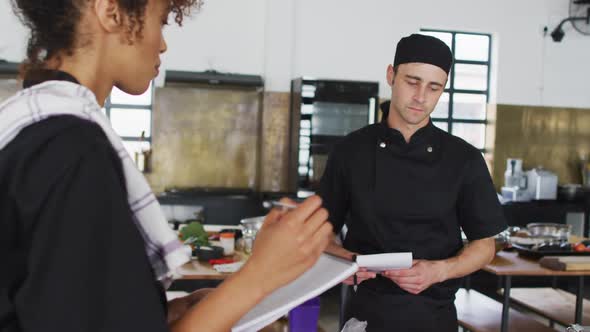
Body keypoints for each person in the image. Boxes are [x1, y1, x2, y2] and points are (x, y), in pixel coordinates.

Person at [0, 1, 333, 331]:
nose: (162, 43)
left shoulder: (35, 126)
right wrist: (259, 276)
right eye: (160, 20)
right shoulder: (73, 150)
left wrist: (168, 313)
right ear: (109, 10)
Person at [319, 34, 507, 332]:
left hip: (435, 317)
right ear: (391, 75)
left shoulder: (464, 159)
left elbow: (485, 245)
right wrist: (343, 259)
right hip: (364, 314)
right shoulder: (351, 151)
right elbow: (321, 231)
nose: (421, 96)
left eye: (434, 87)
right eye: (412, 82)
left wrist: (439, 270)